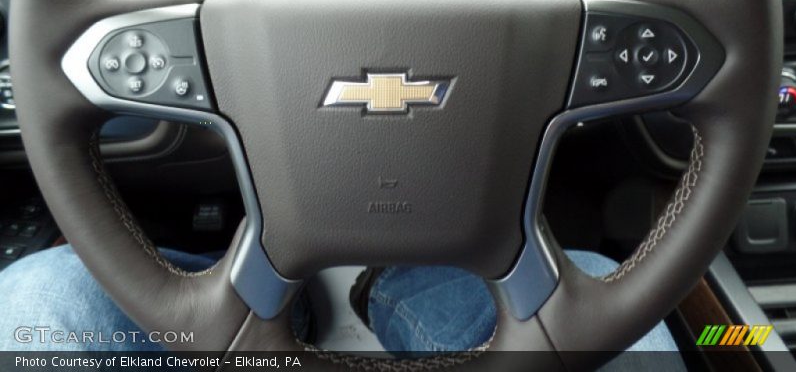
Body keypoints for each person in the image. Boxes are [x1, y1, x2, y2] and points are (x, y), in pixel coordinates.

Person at [0, 246, 684, 370]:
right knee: (594, 280)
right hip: (454, 275)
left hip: (218, 289)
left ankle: (273, 308)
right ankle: (393, 282)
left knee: (35, 294)